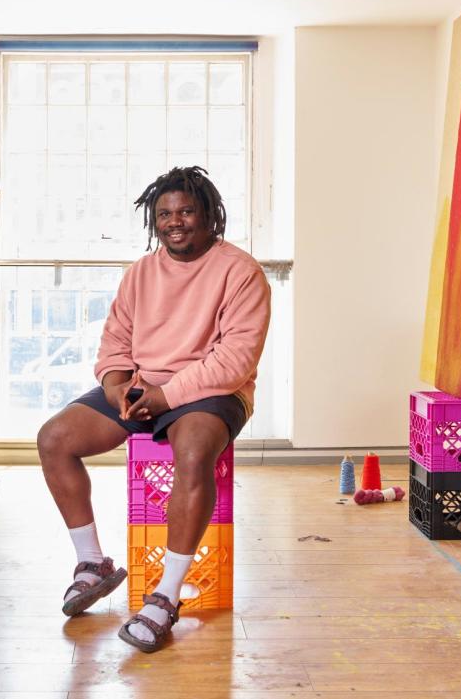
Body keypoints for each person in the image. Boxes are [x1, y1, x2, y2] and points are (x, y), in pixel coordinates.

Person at [37, 166, 272, 653]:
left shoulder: (241, 271)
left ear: (210, 215)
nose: (175, 222)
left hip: (214, 390)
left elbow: (234, 361)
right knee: (54, 439)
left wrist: (166, 396)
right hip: (143, 386)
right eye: (164, 214)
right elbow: (115, 343)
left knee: (191, 455)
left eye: (186, 211)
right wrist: (117, 385)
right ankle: (92, 564)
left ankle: (166, 595)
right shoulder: (141, 273)